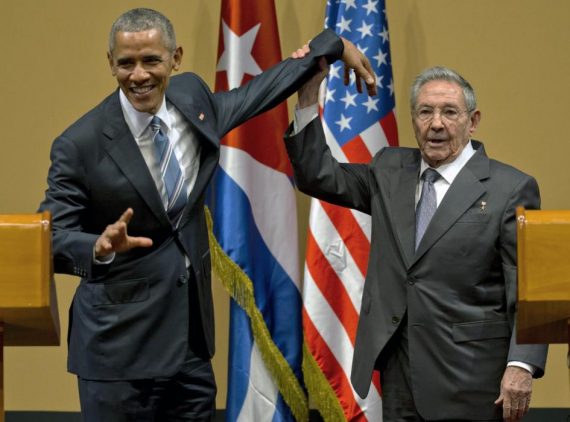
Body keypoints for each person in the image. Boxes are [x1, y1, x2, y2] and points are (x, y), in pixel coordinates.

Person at [38, 8, 376, 421]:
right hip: (117, 356)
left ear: (175, 58)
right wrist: (99, 247)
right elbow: (50, 237)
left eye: (151, 61)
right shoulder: (79, 143)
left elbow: (261, 92)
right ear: (110, 63)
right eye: (125, 63)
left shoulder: (193, 100)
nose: (138, 75)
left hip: (189, 350)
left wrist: (334, 44)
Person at [285, 61, 548, 421]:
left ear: (473, 121)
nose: (436, 123)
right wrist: (308, 94)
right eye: (425, 112)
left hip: (472, 379)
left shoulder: (514, 187)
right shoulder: (389, 169)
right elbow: (318, 176)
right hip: (400, 376)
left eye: (449, 112)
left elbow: (537, 289)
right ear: (414, 120)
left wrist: (522, 365)